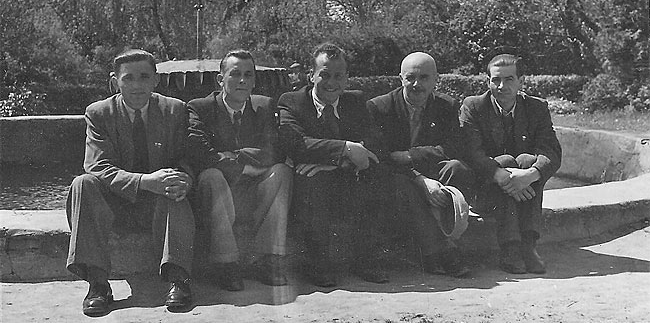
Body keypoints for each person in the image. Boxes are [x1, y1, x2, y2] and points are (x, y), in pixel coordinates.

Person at [66, 49, 195, 317]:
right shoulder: (99, 113)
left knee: (174, 186)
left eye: (144, 77)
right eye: (128, 78)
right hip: (116, 200)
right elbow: (97, 166)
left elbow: (187, 156)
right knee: (83, 184)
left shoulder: (174, 110)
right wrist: (144, 181)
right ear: (115, 82)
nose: (137, 85)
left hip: (158, 201)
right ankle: (98, 284)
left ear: (156, 80)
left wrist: (186, 178)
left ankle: (178, 279)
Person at [278, 43, 389, 287]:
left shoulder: (355, 101)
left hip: (344, 174)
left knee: (376, 175)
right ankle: (318, 263)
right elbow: (296, 144)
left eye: (338, 76)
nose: (331, 83)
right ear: (311, 75)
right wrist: (346, 149)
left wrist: (336, 161)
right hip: (308, 182)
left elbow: (374, 144)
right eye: (325, 75)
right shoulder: (292, 102)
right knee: (314, 180)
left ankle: (366, 260)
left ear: (346, 78)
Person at [187, 49, 293, 291]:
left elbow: (275, 151)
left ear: (254, 81)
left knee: (281, 171)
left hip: (252, 191)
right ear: (220, 79)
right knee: (211, 175)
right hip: (217, 192)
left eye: (248, 75)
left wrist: (232, 156)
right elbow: (199, 152)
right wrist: (244, 166)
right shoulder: (200, 108)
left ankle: (267, 258)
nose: (242, 80)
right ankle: (226, 264)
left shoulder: (264, 106)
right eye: (235, 74)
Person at [366, 52, 475, 277]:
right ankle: (440, 250)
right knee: (401, 184)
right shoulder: (380, 107)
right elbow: (381, 156)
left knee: (457, 168)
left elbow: (455, 147)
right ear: (401, 79)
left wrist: (410, 155)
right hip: (398, 176)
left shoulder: (447, 106)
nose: (417, 84)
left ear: (436, 79)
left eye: (424, 78)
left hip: (429, 170)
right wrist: (419, 178)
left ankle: (440, 246)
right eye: (410, 78)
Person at [459, 53, 561, 274]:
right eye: (495, 80)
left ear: (521, 81)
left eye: (509, 79)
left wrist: (530, 174)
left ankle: (528, 245)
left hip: (524, 182)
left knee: (528, 160)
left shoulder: (536, 108)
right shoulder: (474, 106)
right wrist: (501, 175)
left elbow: (551, 151)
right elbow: (471, 152)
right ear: (488, 81)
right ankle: (511, 247)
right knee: (505, 160)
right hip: (486, 189)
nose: (501, 86)